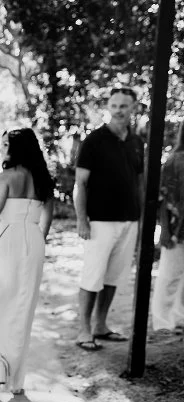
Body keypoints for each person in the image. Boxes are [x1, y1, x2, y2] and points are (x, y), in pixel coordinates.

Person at [0, 128, 55, 393]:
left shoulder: (5, 177)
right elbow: (46, 221)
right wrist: (35, 241)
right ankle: (15, 381)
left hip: (6, 240)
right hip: (33, 239)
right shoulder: (44, 179)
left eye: (6, 144)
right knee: (22, 308)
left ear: (17, 148)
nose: (2, 148)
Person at [73, 86, 144, 350]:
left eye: (123, 106)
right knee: (92, 276)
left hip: (129, 220)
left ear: (133, 108)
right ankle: (84, 330)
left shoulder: (137, 142)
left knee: (114, 277)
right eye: (114, 106)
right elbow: (80, 183)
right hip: (99, 221)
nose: (118, 111)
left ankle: (101, 325)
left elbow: (139, 181)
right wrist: (82, 220)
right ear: (108, 107)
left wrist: (142, 217)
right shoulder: (94, 141)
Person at [151, 121, 184, 332]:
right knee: (169, 275)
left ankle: (179, 318)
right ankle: (162, 322)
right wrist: (166, 229)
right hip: (175, 227)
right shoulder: (175, 161)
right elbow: (163, 199)